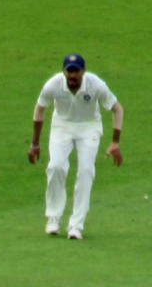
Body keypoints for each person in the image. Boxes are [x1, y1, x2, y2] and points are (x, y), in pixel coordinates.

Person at [26, 53, 123, 240]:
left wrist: (115, 142)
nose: (72, 76)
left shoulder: (96, 85)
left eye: (76, 71)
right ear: (64, 71)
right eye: (69, 71)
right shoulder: (53, 84)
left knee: (86, 171)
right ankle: (53, 218)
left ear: (83, 71)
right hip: (62, 126)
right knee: (56, 166)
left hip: (89, 127)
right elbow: (40, 109)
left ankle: (76, 225)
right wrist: (35, 143)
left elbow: (117, 108)